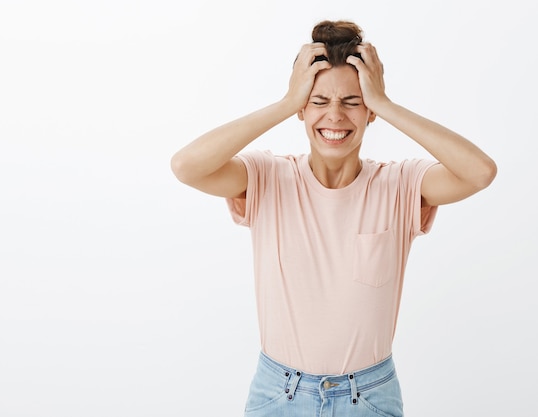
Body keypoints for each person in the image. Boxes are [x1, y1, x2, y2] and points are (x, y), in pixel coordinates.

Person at [170, 19, 496, 417]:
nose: (335, 117)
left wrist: (386, 104)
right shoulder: (267, 176)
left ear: (370, 110)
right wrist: (286, 102)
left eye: (353, 102)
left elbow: (480, 172)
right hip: (278, 395)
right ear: (302, 108)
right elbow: (187, 166)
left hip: (370, 397)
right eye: (319, 101)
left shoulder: (400, 184)